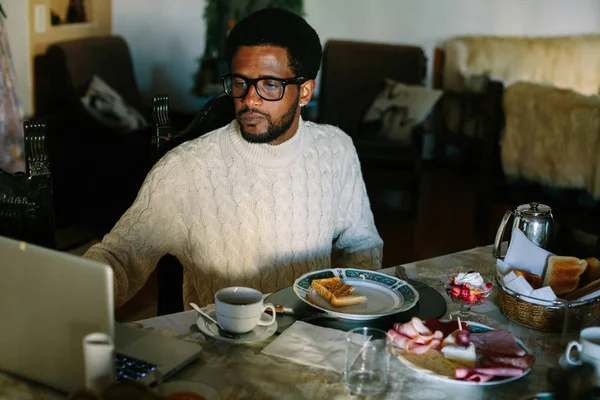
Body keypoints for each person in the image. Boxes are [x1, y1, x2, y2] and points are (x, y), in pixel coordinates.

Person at [84, 8, 383, 308]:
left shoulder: (335, 150)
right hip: (221, 347)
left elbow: (361, 245)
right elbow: (119, 257)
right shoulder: (185, 169)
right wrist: (70, 291)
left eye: (270, 85)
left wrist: (347, 315)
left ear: (304, 92)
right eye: (240, 83)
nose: (249, 100)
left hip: (314, 339)